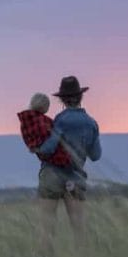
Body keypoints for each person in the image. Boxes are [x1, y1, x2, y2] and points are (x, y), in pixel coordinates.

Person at [34, 76, 101, 247]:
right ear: (81, 97)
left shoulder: (60, 120)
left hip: (52, 175)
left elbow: (49, 148)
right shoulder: (91, 123)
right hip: (76, 177)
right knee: (79, 228)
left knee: (47, 228)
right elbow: (96, 155)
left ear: (62, 99)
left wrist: (36, 149)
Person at [17, 92, 73, 168]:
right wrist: (58, 133)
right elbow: (48, 145)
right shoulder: (42, 121)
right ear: (45, 107)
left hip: (46, 161)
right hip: (59, 160)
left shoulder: (25, 122)